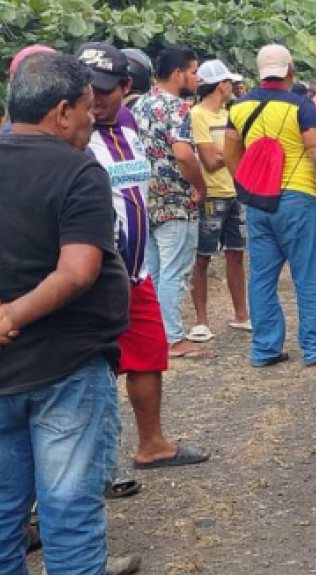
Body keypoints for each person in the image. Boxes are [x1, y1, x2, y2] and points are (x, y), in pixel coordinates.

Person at [0, 51, 130, 575]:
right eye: (85, 111)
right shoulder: (78, 171)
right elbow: (77, 271)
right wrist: (13, 316)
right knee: (69, 517)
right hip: (63, 371)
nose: (93, 119)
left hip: (0, 377)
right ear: (61, 111)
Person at [76, 41, 212, 475]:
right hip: (94, 277)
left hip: (135, 272)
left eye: (104, 90)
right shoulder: (74, 136)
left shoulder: (131, 124)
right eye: (86, 91)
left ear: (125, 87)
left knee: (150, 354)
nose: (94, 100)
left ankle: (151, 444)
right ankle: (95, 467)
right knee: (92, 372)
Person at [225, 44, 316, 368]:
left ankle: (265, 349)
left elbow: (230, 151)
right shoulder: (301, 106)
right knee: (311, 275)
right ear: (290, 70)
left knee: (262, 277)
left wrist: (245, 185)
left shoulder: (238, 106)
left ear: (259, 72)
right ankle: (314, 348)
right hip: (299, 198)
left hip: (259, 202)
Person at [132, 46, 213, 359]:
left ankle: (154, 333)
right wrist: (199, 185)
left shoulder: (140, 104)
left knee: (151, 270)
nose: (197, 77)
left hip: (145, 197)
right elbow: (182, 153)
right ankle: (174, 337)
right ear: (179, 74)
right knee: (175, 271)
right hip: (176, 199)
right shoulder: (179, 108)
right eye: (194, 71)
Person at [188, 60, 252, 344]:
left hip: (234, 191)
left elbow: (221, 155)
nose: (233, 87)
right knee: (202, 257)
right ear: (220, 85)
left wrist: (222, 151)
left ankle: (241, 314)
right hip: (211, 192)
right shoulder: (197, 115)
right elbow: (210, 161)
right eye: (229, 82)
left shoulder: (229, 114)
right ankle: (201, 320)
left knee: (236, 254)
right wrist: (230, 152)